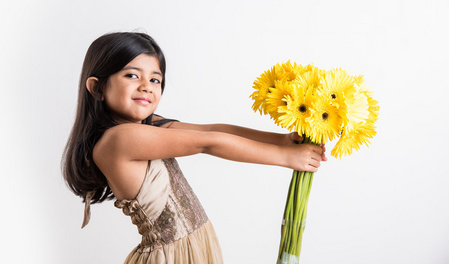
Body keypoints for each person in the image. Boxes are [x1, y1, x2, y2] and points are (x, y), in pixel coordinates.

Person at [62, 31, 326, 264]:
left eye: (155, 79)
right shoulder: (119, 139)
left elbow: (211, 130)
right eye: (131, 75)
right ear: (97, 88)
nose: (146, 86)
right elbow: (207, 143)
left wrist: (280, 140)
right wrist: (286, 157)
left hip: (194, 248)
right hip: (171, 257)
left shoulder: (150, 125)